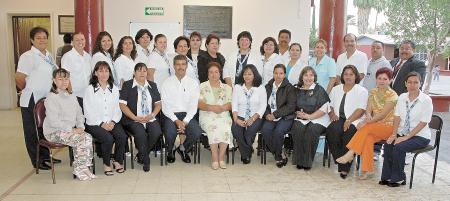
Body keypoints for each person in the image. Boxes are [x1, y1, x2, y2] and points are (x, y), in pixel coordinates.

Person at [336, 67, 398, 179]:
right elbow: (368, 109)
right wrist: (368, 117)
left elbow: (382, 115)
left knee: (365, 129)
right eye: (379, 78)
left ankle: (350, 153)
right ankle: (367, 170)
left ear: (390, 80)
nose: (382, 81)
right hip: (374, 126)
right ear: (376, 79)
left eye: (385, 79)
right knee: (367, 138)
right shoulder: (373, 91)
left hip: (389, 127)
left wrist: (366, 122)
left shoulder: (393, 95)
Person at [15, 27, 59, 170]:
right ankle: (37, 160)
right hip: (32, 99)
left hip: (46, 98)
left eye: (44, 37)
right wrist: (27, 90)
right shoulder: (27, 56)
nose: (42, 40)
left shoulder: (48, 55)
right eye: (38, 38)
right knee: (32, 130)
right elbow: (19, 78)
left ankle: (46, 156)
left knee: (44, 128)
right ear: (32, 40)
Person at [379, 72, 433, 187]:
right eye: (409, 82)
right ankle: (387, 177)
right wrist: (394, 134)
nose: (412, 85)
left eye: (416, 82)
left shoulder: (426, 100)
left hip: (420, 136)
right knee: (389, 144)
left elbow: (423, 122)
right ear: (405, 84)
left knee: (399, 147)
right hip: (402, 133)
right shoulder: (402, 97)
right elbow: (397, 116)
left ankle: (398, 178)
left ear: (420, 83)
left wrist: (406, 138)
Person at [43, 68, 95, 181]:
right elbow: (54, 121)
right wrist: (72, 130)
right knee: (79, 139)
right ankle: (79, 169)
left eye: (66, 79)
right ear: (54, 81)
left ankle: (84, 167)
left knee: (87, 137)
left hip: (69, 130)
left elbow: (79, 113)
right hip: (54, 131)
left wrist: (81, 126)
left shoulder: (71, 95)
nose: (64, 81)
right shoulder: (51, 97)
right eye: (60, 79)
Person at [84, 61, 127, 176]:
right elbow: (88, 111)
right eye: (101, 71)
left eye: (106, 71)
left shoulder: (114, 88)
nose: (104, 74)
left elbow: (118, 108)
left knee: (122, 136)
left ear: (110, 73)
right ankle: (106, 164)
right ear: (96, 73)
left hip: (112, 121)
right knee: (107, 138)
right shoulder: (89, 89)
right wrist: (102, 124)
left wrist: (113, 122)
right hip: (94, 123)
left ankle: (118, 161)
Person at [326, 65, 368, 179]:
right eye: (346, 74)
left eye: (351, 74)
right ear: (342, 76)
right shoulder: (336, 89)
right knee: (331, 131)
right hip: (338, 118)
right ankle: (341, 160)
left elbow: (361, 109)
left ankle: (344, 168)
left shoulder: (361, 90)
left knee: (348, 133)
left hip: (354, 119)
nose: (348, 77)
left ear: (356, 76)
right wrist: (332, 114)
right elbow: (329, 105)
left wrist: (350, 120)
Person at [119, 63, 162, 172]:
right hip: (133, 118)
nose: (142, 73)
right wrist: (135, 117)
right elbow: (122, 105)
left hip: (149, 117)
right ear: (134, 73)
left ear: (147, 72)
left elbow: (158, 104)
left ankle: (142, 154)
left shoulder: (153, 85)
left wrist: (152, 115)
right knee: (140, 133)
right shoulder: (128, 85)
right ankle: (146, 160)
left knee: (156, 132)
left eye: (144, 70)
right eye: (139, 70)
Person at [161, 55, 202, 164]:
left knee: (196, 132)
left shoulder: (193, 83)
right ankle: (170, 150)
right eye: (178, 64)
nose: (180, 67)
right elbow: (165, 106)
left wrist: (185, 121)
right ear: (174, 66)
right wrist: (176, 120)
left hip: (187, 115)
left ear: (187, 66)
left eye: (183, 64)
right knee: (170, 132)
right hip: (171, 115)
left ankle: (183, 148)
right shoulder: (166, 83)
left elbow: (194, 106)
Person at [290, 66, 330, 170]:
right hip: (301, 118)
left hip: (318, 118)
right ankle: (299, 160)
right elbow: (291, 104)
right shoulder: (296, 89)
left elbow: (324, 109)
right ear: (301, 77)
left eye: (311, 75)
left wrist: (310, 116)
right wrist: (296, 112)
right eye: (306, 75)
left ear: (315, 77)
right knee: (297, 128)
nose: (308, 78)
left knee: (311, 130)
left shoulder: (319, 89)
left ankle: (307, 162)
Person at [198, 62, 233, 170]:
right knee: (212, 126)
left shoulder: (227, 87)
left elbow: (231, 104)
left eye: (216, 72)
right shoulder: (202, 86)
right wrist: (212, 108)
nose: (214, 74)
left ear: (220, 74)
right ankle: (214, 157)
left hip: (223, 114)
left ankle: (221, 157)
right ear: (208, 74)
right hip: (207, 114)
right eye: (211, 72)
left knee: (226, 127)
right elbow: (199, 104)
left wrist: (222, 108)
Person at [260, 64, 295, 168]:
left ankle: (278, 156)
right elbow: (262, 103)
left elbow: (291, 106)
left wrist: (275, 115)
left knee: (278, 131)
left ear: (284, 75)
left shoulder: (290, 88)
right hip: (269, 116)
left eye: (281, 73)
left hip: (285, 116)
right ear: (273, 74)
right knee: (265, 130)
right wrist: (266, 114)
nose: (278, 75)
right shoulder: (267, 87)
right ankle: (278, 153)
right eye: (276, 73)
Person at [231, 64, 267, 164]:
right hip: (240, 115)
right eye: (245, 74)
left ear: (254, 75)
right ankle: (247, 151)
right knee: (236, 130)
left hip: (255, 115)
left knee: (249, 132)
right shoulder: (237, 87)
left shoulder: (260, 88)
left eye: (250, 74)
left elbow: (263, 106)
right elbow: (234, 105)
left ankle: (245, 154)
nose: (247, 76)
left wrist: (252, 118)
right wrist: (236, 119)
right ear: (242, 75)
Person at [61, 32, 92, 107]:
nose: (80, 42)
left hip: (87, 96)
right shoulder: (67, 56)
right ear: (72, 42)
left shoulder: (88, 56)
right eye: (77, 40)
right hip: (74, 96)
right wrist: (70, 94)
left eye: (82, 39)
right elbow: (65, 77)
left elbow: (90, 76)